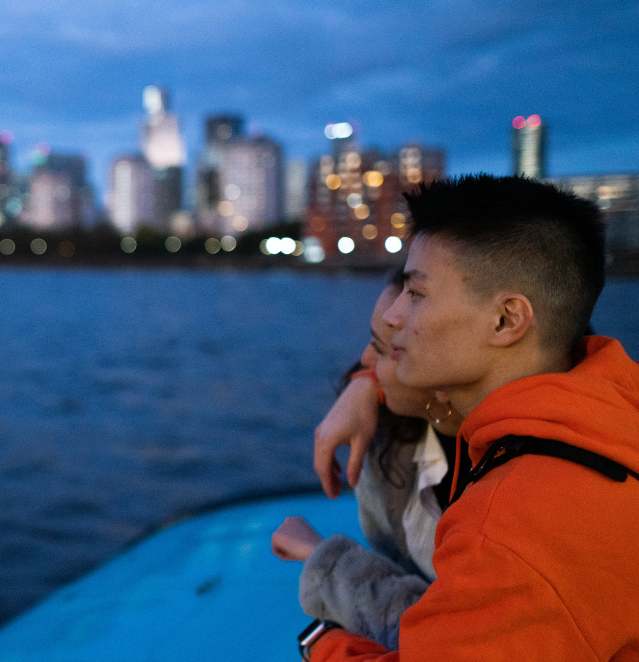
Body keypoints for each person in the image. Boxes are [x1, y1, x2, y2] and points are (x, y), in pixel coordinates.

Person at [300, 174, 639, 661]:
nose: (393, 317)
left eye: (415, 294)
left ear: (505, 320)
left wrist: (324, 642)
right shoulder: (606, 412)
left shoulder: (507, 531)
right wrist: (365, 383)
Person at [271, 269, 465, 650]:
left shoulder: (514, 485)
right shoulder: (391, 433)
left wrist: (323, 560)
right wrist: (368, 384)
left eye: (384, 346)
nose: (363, 359)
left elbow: (448, 637)